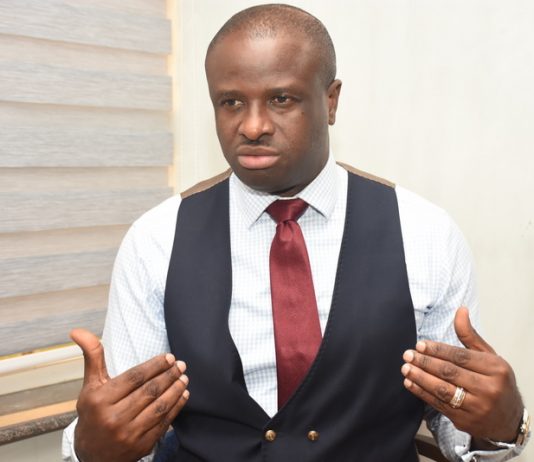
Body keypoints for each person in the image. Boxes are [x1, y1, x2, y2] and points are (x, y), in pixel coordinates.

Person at [62, 4, 530, 461]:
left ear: (330, 100)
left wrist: (503, 428)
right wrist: (91, 450)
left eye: (281, 99)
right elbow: (123, 426)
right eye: (231, 102)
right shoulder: (155, 240)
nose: (252, 126)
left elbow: (461, 424)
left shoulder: (426, 234)